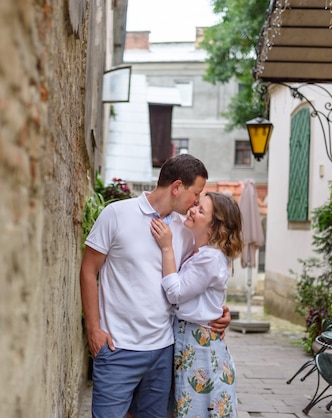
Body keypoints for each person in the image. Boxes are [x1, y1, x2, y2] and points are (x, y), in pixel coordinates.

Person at [80, 154, 231, 418]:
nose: (197, 201)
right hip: (118, 348)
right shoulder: (116, 214)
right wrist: (93, 329)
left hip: (164, 351)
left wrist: (219, 312)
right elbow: (88, 269)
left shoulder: (185, 231)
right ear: (176, 187)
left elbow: (192, 283)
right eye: (195, 193)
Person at [150, 191, 243, 418]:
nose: (192, 210)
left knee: (196, 410)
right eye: (197, 205)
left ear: (213, 228)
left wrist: (166, 248)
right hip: (191, 340)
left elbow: (176, 293)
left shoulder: (210, 258)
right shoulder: (200, 250)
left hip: (199, 345)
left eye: (201, 210)